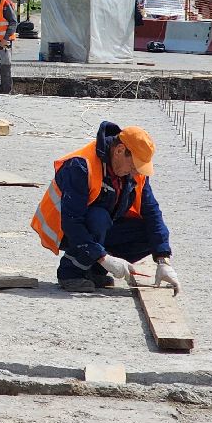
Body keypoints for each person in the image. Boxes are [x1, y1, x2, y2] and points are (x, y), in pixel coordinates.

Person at [29, 122, 180, 294]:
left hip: (100, 228)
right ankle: (71, 273)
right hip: (64, 229)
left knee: (148, 233)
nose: (136, 173)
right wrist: (104, 258)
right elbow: (72, 222)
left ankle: (94, 271)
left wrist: (163, 260)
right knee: (98, 217)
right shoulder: (80, 166)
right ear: (119, 150)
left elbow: (152, 213)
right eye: (133, 166)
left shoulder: (135, 173)